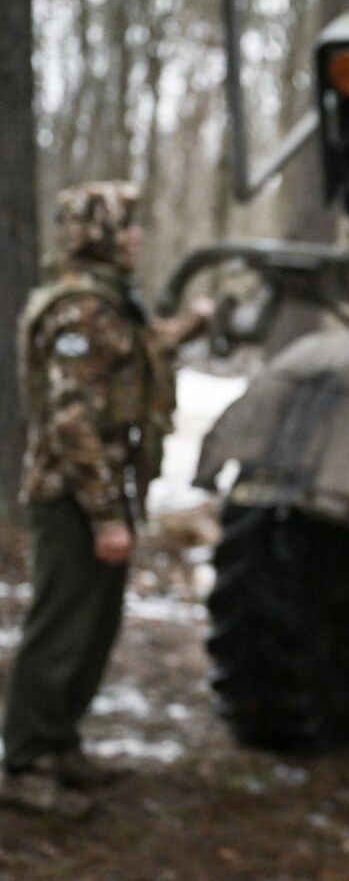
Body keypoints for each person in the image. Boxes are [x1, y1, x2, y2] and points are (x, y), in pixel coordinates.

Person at [2, 181, 208, 816]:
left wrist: (193, 325)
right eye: (126, 228)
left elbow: (135, 362)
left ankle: (61, 744)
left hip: (102, 494)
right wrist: (103, 516)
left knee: (94, 628)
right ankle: (23, 763)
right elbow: (70, 420)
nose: (137, 238)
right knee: (62, 629)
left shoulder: (111, 307)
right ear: (99, 235)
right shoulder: (80, 313)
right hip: (73, 497)